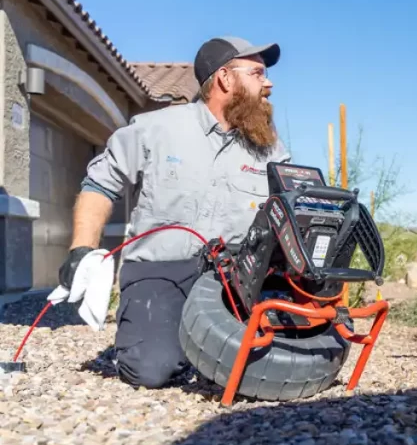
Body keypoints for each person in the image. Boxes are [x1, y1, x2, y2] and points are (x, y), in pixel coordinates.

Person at [58, 36, 291, 389]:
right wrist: (82, 250)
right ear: (225, 78)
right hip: (160, 272)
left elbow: (289, 211)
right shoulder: (156, 129)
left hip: (236, 278)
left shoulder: (270, 149)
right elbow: (99, 185)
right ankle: (159, 339)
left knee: (265, 366)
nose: (269, 83)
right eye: (258, 73)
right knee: (152, 371)